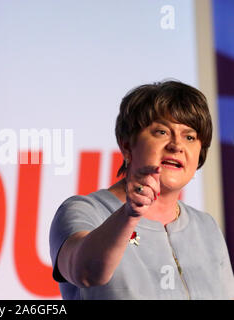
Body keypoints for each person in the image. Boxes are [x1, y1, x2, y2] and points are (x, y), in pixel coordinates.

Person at [49, 80, 234, 299]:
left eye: (190, 137)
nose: (177, 145)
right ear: (127, 145)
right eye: (161, 132)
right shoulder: (85, 211)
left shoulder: (206, 226)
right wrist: (130, 215)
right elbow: (87, 272)